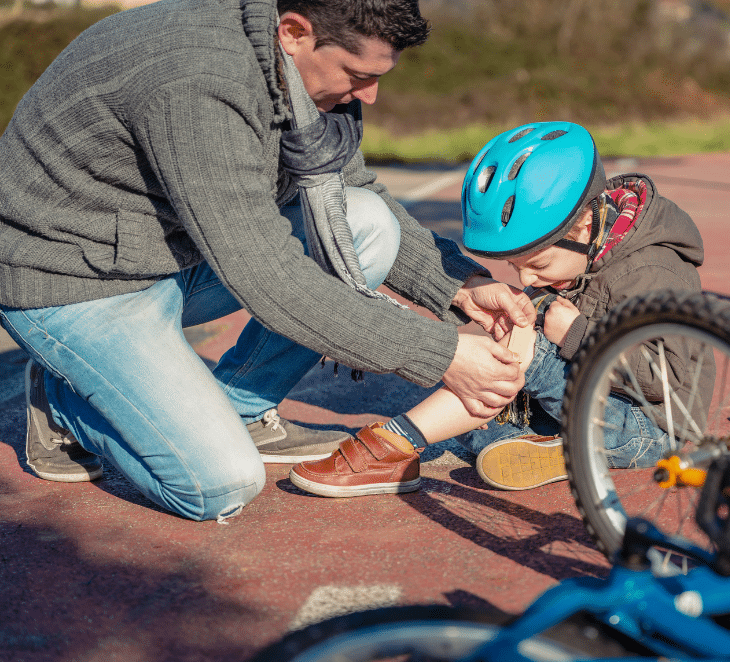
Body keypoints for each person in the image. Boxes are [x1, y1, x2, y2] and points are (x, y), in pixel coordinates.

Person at [0, 0, 535, 522]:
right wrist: (443, 354)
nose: (369, 95)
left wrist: (460, 286)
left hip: (168, 252)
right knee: (219, 484)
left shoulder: (303, 79)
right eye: (356, 73)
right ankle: (69, 401)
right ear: (294, 32)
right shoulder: (199, 82)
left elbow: (352, 189)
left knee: (366, 221)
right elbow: (269, 279)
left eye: (379, 75)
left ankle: (237, 408)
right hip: (76, 279)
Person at [288, 121, 711, 496]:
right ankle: (555, 448)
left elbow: (665, 381)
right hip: (585, 401)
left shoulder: (652, 270)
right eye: (515, 267)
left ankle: (394, 443)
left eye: (538, 264)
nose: (526, 279)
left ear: (582, 227)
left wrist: (579, 333)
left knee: (518, 356)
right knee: (485, 411)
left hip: (648, 429)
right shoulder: (585, 247)